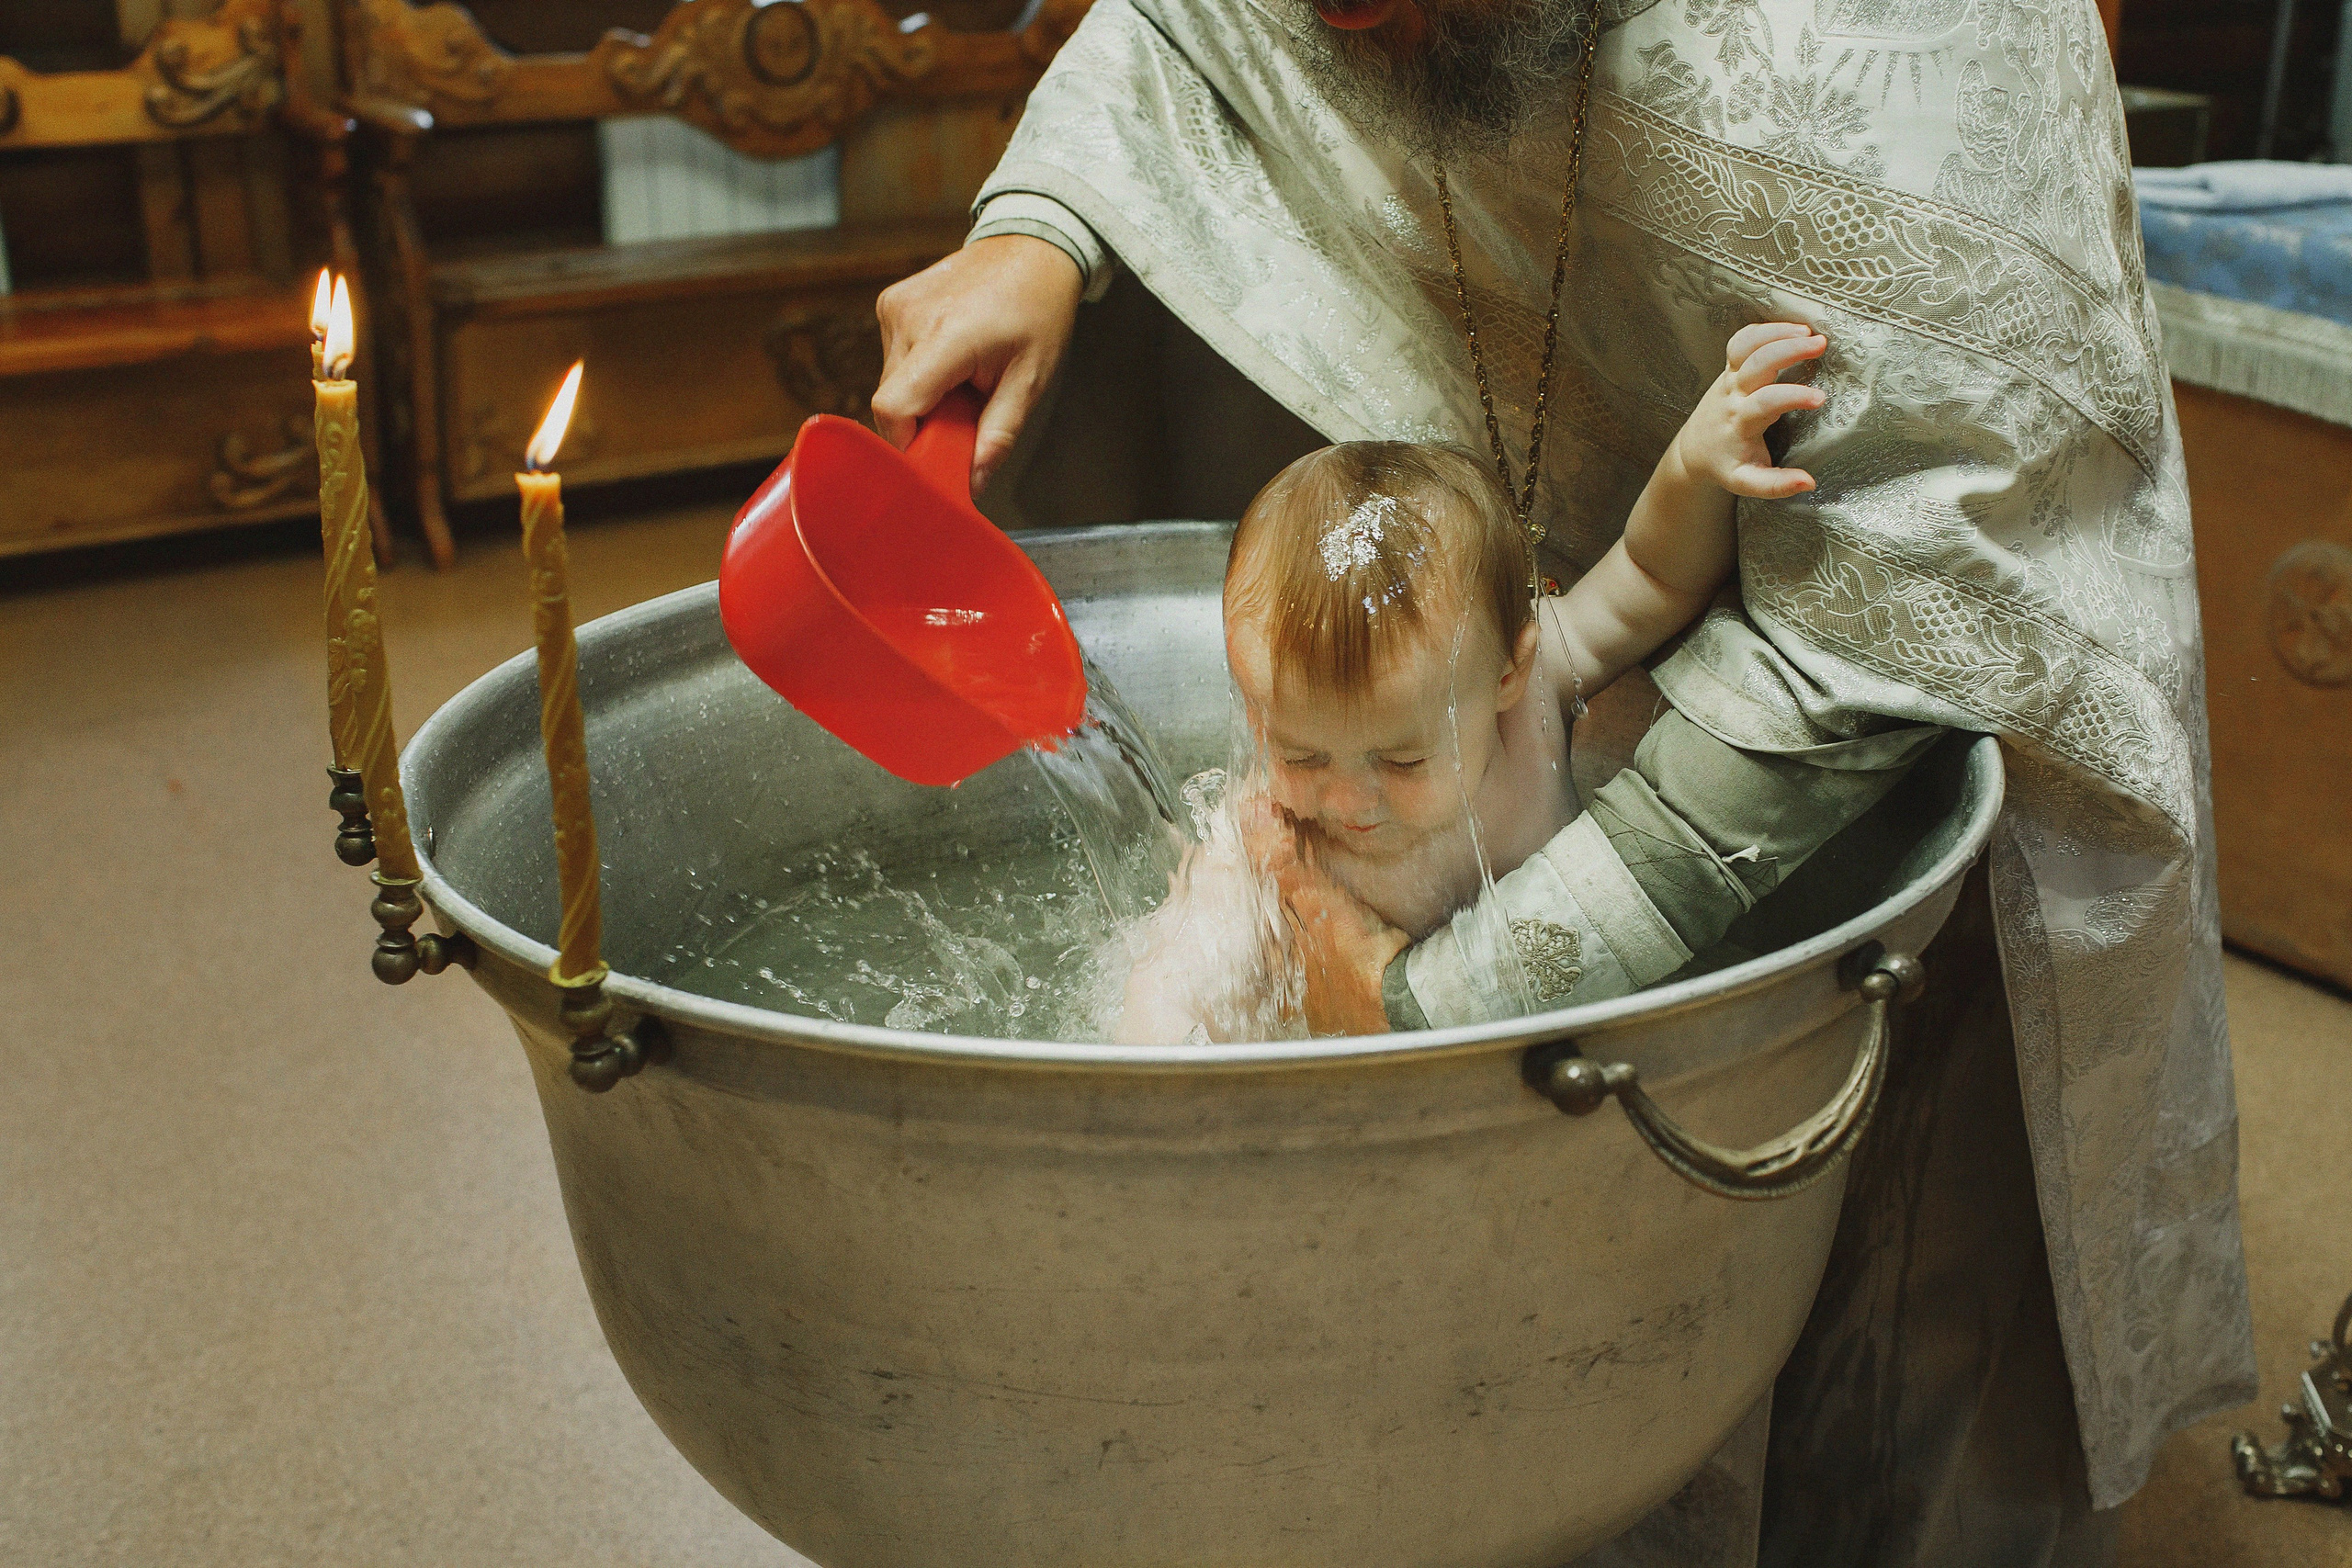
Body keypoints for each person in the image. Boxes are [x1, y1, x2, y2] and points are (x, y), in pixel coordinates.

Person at [872, 1, 2256, 1562]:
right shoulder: (1306, 804)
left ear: (1505, 674)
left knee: (1906, 1274)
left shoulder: (1912, 46)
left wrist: (1434, 999)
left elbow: (1680, 601)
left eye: (1391, 758)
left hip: (1897, 574)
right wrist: (1038, 229)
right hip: (1485, 570)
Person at [1120, 324, 1826, 1043]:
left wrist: (1693, 467)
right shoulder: (1272, 837)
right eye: (1300, 754)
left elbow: (1649, 576)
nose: (1345, 799)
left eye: (1402, 760)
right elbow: (1171, 978)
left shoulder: (1536, 696)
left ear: (1508, 675)